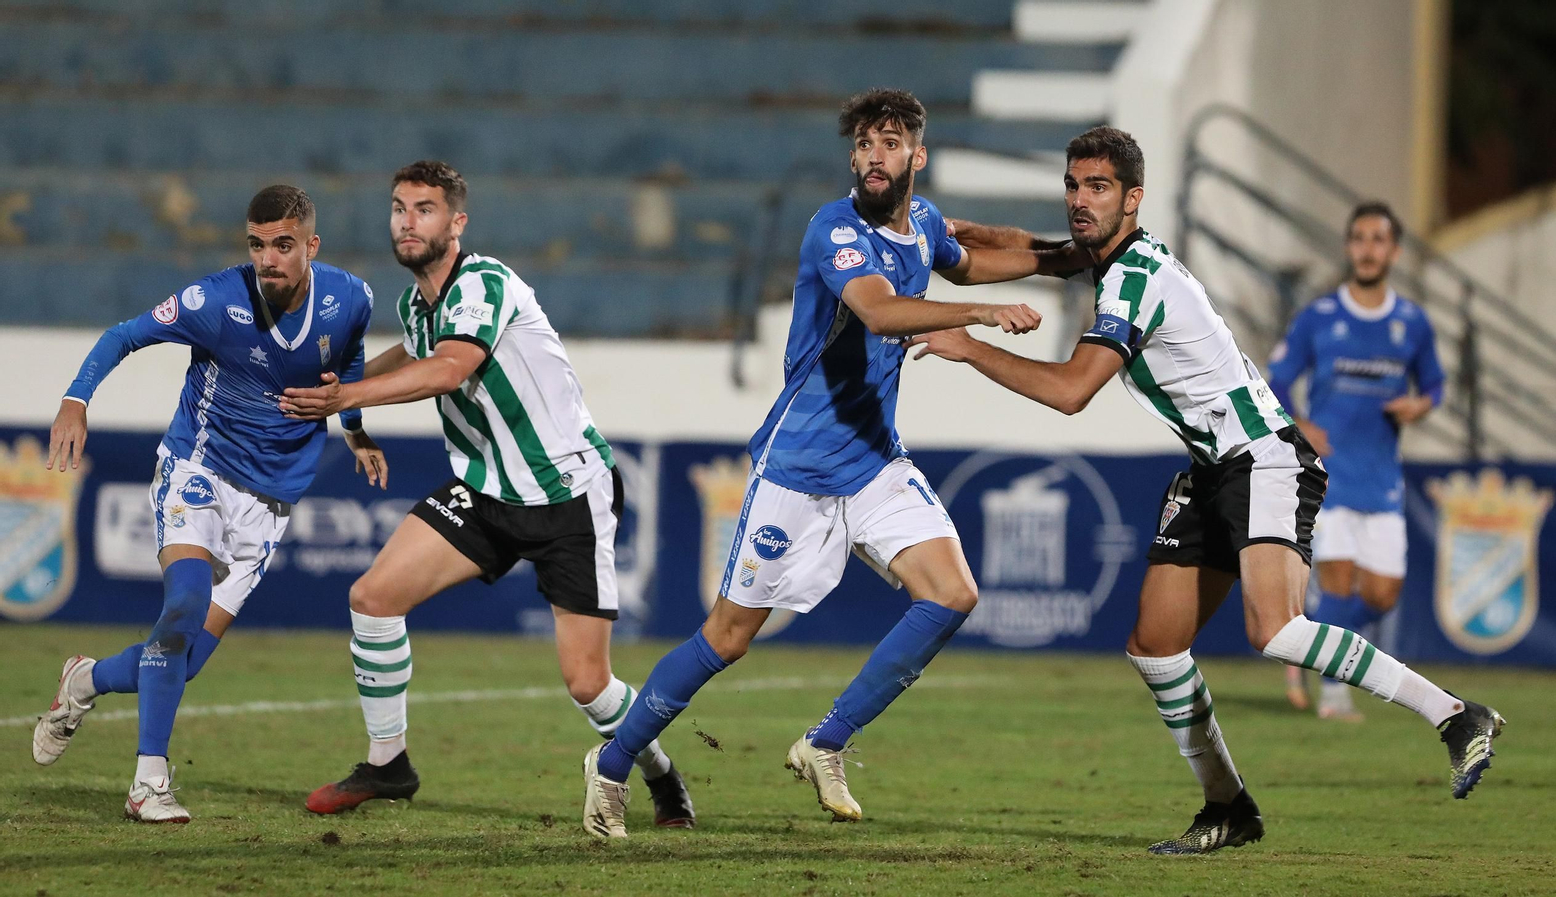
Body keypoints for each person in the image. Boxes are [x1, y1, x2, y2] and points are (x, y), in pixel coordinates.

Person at [912, 127, 1504, 855]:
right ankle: (1228, 807)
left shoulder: (1133, 280)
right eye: (1072, 185)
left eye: (1097, 187)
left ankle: (1455, 714)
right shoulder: (1106, 255)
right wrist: (942, 230)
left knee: (1275, 629)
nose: (1079, 200)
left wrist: (969, 345)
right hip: (1212, 468)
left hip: (1264, 458)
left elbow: (1071, 392)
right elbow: (1022, 253)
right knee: (1156, 646)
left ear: (1133, 198)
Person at [576, 88, 1075, 839]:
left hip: (874, 462)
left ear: (917, 155)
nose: (874, 156)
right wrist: (979, 315)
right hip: (798, 470)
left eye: (890, 143)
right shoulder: (834, 229)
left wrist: (1067, 258)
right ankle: (611, 766)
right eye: (864, 144)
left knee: (952, 593)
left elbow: (971, 256)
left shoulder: (922, 223)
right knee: (727, 638)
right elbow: (880, 309)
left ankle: (826, 741)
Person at [280, 161, 694, 828]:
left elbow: (449, 369)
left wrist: (345, 396)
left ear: (457, 223)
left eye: (424, 209)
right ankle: (388, 763)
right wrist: (345, 400)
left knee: (589, 684)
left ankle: (661, 774)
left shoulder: (484, 282)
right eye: (398, 208)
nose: (407, 221)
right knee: (373, 598)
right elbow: (412, 352)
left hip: (564, 492)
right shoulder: (415, 306)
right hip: (485, 491)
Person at [35, 186, 385, 823]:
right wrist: (75, 400)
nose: (268, 258)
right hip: (199, 469)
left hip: (270, 501)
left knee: (184, 661)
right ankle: (148, 783)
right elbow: (123, 335)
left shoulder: (351, 298)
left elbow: (349, 361)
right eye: (257, 244)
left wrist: (355, 428)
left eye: (283, 245)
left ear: (311, 246)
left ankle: (84, 679)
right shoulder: (215, 300)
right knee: (185, 603)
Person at [1267, 202, 1444, 720]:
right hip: (1331, 476)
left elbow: (1435, 384)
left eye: (1378, 240)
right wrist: (1301, 424)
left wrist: (1420, 405)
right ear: (1348, 247)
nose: (1368, 249)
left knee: (1383, 595)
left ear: (1394, 252)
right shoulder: (1319, 317)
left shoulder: (1412, 323)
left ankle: (1307, 641)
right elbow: (1277, 381)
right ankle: (1335, 695)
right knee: (1340, 582)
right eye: (1360, 238)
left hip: (1382, 477)